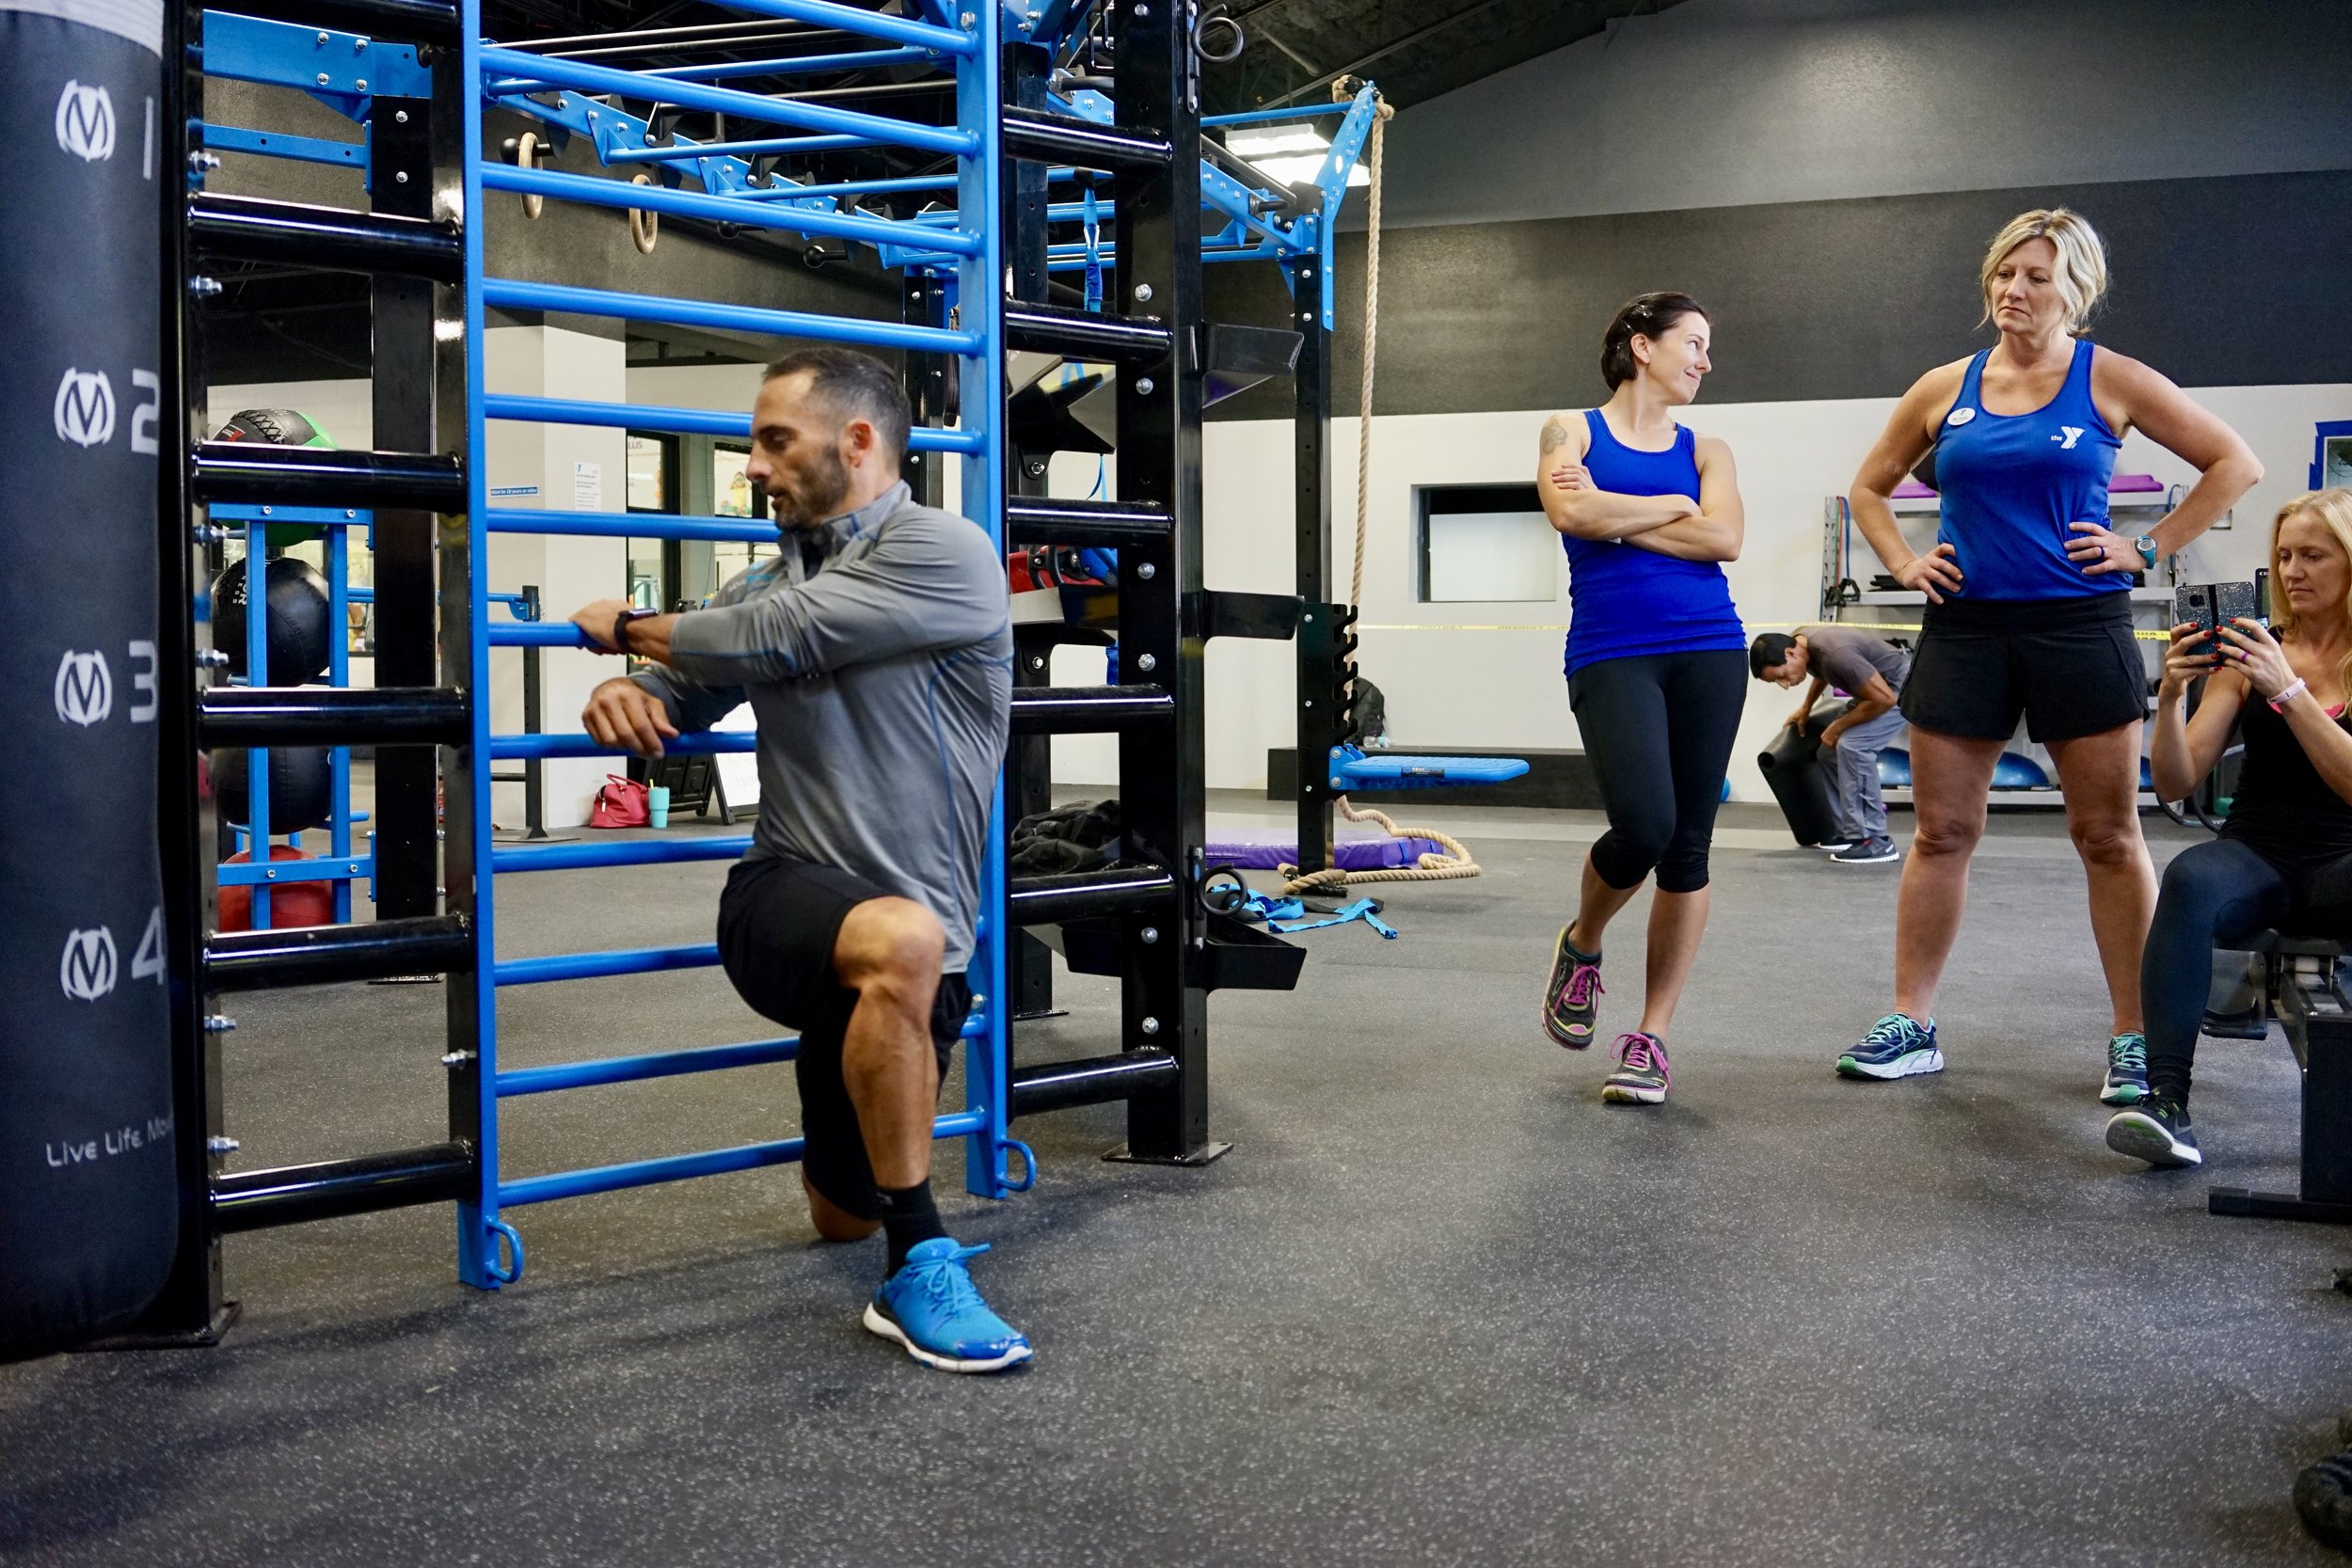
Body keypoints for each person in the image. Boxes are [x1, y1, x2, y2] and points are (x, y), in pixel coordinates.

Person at [565, 347, 1024, 1373]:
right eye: (753, 444)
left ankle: (867, 1083)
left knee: (839, 1216)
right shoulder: (757, 585)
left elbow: (781, 634)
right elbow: (692, 684)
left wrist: (628, 628)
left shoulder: (944, 552)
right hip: (783, 896)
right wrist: (625, 690)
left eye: (775, 441)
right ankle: (925, 1259)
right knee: (898, 940)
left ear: (856, 442)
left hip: (914, 933)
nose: (754, 466)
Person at [1833, 208, 2262, 1096]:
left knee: (2107, 835)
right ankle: (1911, 1018)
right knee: (1944, 832)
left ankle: (2134, 1036)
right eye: (2003, 274)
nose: (2013, 291)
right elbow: (1869, 487)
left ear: (2078, 290)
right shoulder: (1943, 387)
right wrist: (1906, 561)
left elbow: (2234, 461)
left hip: (2078, 625)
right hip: (1967, 628)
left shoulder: (2113, 380)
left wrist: (2146, 547)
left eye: (2035, 276)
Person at [1534, 292, 1747, 1106]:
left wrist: (1612, 517)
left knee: (1688, 847)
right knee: (1644, 825)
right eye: (1693, 342)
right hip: (1612, 652)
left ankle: (1650, 1038)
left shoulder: (1709, 448)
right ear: (1641, 345)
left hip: (1709, 649)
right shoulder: (1571, 429)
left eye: (1707, 346)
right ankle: (1584, 939)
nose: (1704, 359)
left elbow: (1724, 539)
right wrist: (1671, 507)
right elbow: (1567, 508)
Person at [2109, 489, 2352, 1167]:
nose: (2293, 570)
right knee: (2189, 875)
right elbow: (2178, 781)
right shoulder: (2251, 653)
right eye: (2283, 555)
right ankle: (2166, 1102)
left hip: (2343, 859)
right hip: (2258, 854)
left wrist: (2289, 692)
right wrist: (2169, 698)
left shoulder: (2280, 668)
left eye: (2313, 554)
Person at [1750, 626, 1910, 864]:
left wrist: (1838, 726)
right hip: (1878, 690)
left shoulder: (1835, 651)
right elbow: (1822, 672)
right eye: (1777, 682)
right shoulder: (1802, 642)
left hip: (1901, 688)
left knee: (1853, 746)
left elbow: (1884, 699)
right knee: (1829, 751)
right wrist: (1806, 707)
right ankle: (1849, 831)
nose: (1784, 685)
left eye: (1781, 676)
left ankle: (1874, 840)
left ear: (1790, 654)